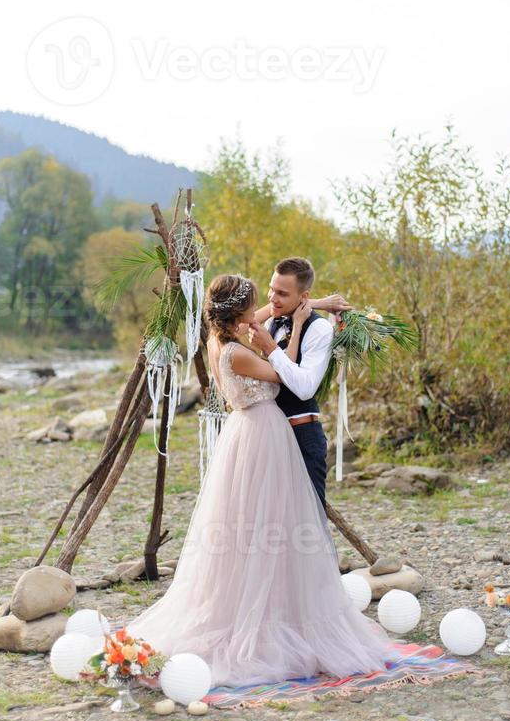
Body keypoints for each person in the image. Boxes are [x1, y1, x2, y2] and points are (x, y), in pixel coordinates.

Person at [127, 273, 396, 688]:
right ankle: (266, 616)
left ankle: (276, 603)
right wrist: (299, 329)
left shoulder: (220, 339)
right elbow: (283, 372)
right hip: (262, 436)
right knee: (271, 525)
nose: (263, 309)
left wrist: (316, 302)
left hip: (246, 435)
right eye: (255, 305)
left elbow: (266, 313)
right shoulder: (237, 352)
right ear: (239, 313)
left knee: (256, 527)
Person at [247, 255, 350, 512]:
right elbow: (236, 324)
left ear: (302, 296)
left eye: (282, 293)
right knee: (269, 520)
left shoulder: (318, 330)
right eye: (271, 289)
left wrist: (271, 349)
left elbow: (305, 387)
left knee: (307, 522)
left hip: (301, 436)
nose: (272, 297)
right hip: (268, 437)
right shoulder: (271, 321)